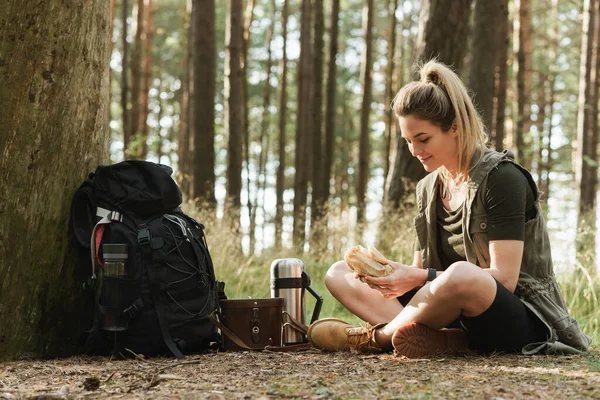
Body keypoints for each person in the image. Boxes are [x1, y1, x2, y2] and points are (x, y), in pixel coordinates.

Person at [306, 60, 592, 358]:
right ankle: (446, 338)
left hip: (521, 316)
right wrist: (392, 276)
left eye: (423, 139)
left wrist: (418, 277)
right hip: (451, 312)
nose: (415, 151)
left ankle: (378, 339)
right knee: (340, 272)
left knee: (462, 275)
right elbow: (421, 276)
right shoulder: (428, 189)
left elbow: (504, 279)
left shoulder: (503, 178)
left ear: (454, 128)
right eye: (407, 141)